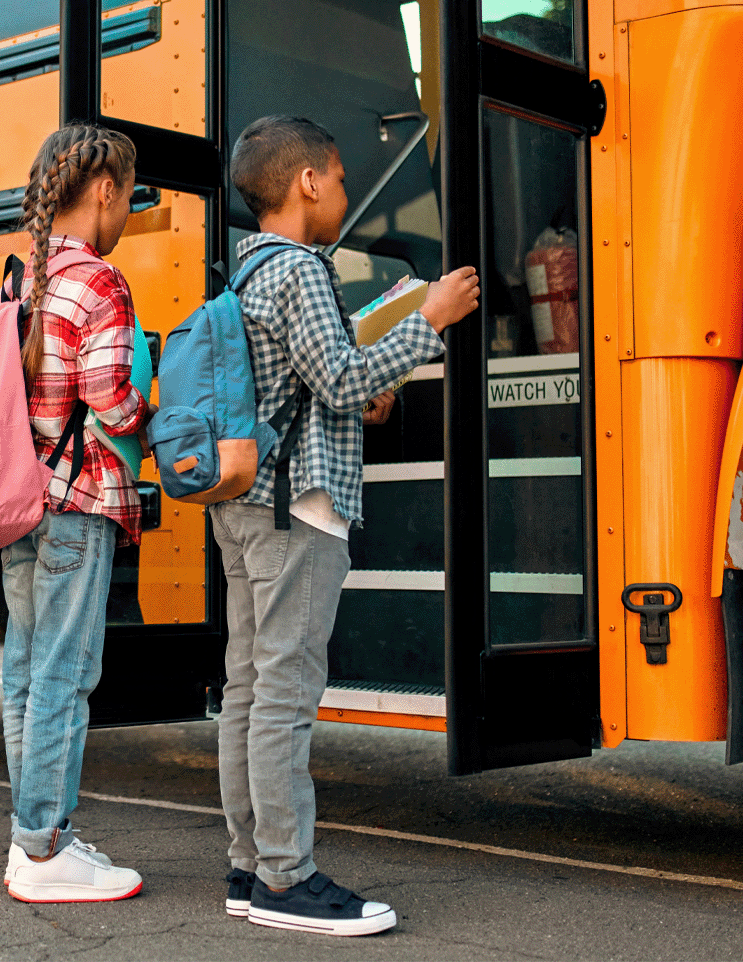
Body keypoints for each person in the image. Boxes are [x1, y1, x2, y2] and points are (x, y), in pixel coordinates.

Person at [214, 115, 478, 936]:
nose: (346, 194)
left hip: (245, 503)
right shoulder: (300, 269)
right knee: (284, 694)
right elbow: (336, 376)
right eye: (339, 176)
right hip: (300, 508)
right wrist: (428, 317)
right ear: (307, 182)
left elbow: (308, 387)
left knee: (250, 690)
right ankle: (289, 883)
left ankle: (251, 867)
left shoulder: (246, 271)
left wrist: (363, 393)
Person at [0, 124, 152, 904]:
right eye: (127, 195)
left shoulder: (19, 277)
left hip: (21, 502)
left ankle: (30, 836)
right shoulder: (100, 281)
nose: (126, 210)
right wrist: (159, 422)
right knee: (66, 674)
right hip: (79, 501)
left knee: (27, 675)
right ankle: (46, 846)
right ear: (103, 190)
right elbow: (109, 401)